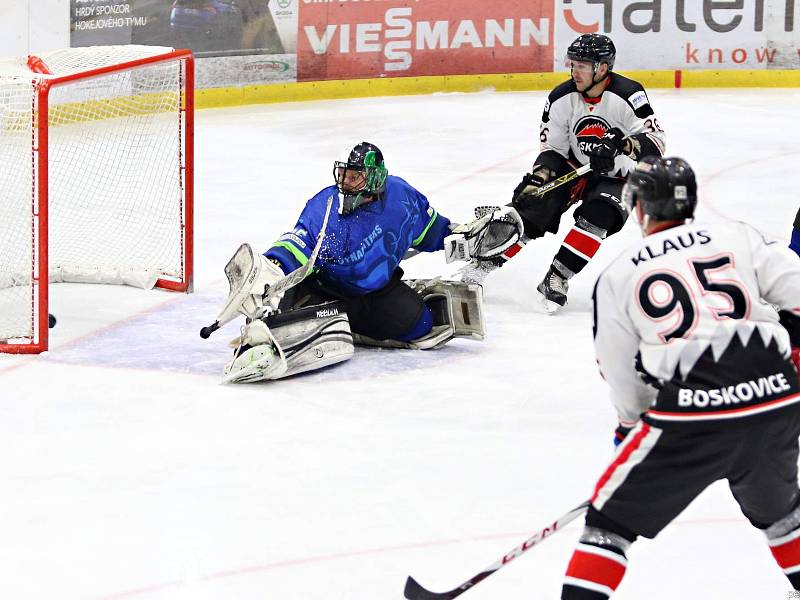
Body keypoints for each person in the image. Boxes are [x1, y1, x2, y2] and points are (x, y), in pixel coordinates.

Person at [560, 156, 800, 598]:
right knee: (783, 516)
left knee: (608, 526)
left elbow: (617, 365)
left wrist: (631, 425)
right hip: (777, 394)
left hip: (694, 406)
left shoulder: (619, 273)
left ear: (639, 208)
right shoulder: (737, 236)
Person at [215, 142, 514, 383]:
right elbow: (299, 242)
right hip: (324, 288)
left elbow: (428, 229)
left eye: (354, 176)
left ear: (374, 177)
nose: (345, 181)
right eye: (343, 174)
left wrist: (463, 238)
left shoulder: (402, 197)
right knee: (282, 317)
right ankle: (328, 320)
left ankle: (348, 323)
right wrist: (273, 266)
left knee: (422, 327)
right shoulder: (326, 205)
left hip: (376, 293)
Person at [509, 33, 666, 313]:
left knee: (599, 215)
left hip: (620, 175)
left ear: (602, 68)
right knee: (531, 207)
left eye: (583, 65)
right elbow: (553, 148)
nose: (574, 70)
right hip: (576, 166)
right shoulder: (560, 97)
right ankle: (483, 266)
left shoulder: (629, 95)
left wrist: (625, 144)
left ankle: (557, 277)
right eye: (573, 63)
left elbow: (656, 143)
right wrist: (540, 176)